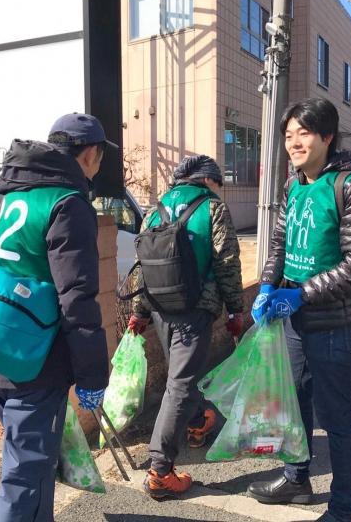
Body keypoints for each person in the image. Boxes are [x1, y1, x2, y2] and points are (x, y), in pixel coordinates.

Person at [0, 113, 115, 521]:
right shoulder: (67, 204)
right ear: (91, 154)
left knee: (31, 465)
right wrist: (92, 377)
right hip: (36, 360)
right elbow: (78, 301)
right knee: (24, 474)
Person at [247, 98, 351, 522]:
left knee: (336, 417)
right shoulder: (294, 186)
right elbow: (279, 245)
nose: (294, 143)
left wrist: (301, 294)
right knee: (294, 404)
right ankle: (296, 478)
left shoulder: (350, 186)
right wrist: (269, 284)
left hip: (331, 324)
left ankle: (343, 507)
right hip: (293, 320)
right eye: (288, 135)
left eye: (303, 133)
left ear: (326, 136)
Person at [128, 155, 245, 500]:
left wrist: (140, 311)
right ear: (207, 180)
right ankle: (160, 472)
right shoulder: (212, 209)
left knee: (182, 379)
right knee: (180, 384)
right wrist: (236, 310)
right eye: (217, 184)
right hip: (195, 311)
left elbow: (142, 265)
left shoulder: (155, 210)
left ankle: (197, 424)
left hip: (162, 310)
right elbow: (227, 262)